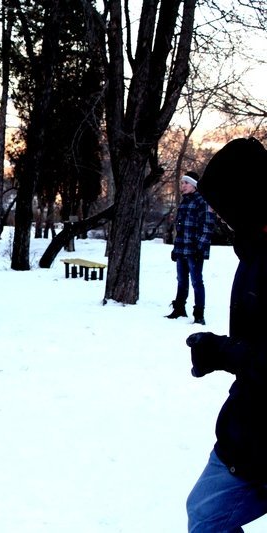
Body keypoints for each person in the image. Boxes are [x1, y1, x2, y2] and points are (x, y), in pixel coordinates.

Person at [185, 137, 267, 532]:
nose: (218, 216)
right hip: (250, 428)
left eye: (222, 205)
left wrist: (222, 352)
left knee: (207, 518)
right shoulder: (254, 247)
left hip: (260, 440)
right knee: (205, 514)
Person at [166, 171, 216, 325]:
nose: (183, 186)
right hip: (182, 249)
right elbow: (179, 229)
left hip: (194, 250)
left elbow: (207, 227)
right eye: (182, 183)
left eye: (186, 183)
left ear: (194, 185)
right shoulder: (185, 202)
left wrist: (199, 248)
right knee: (181, 280)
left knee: (196, 281)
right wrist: (175, 249)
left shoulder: (203, 201)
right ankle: (179, 308)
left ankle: (199, 314)